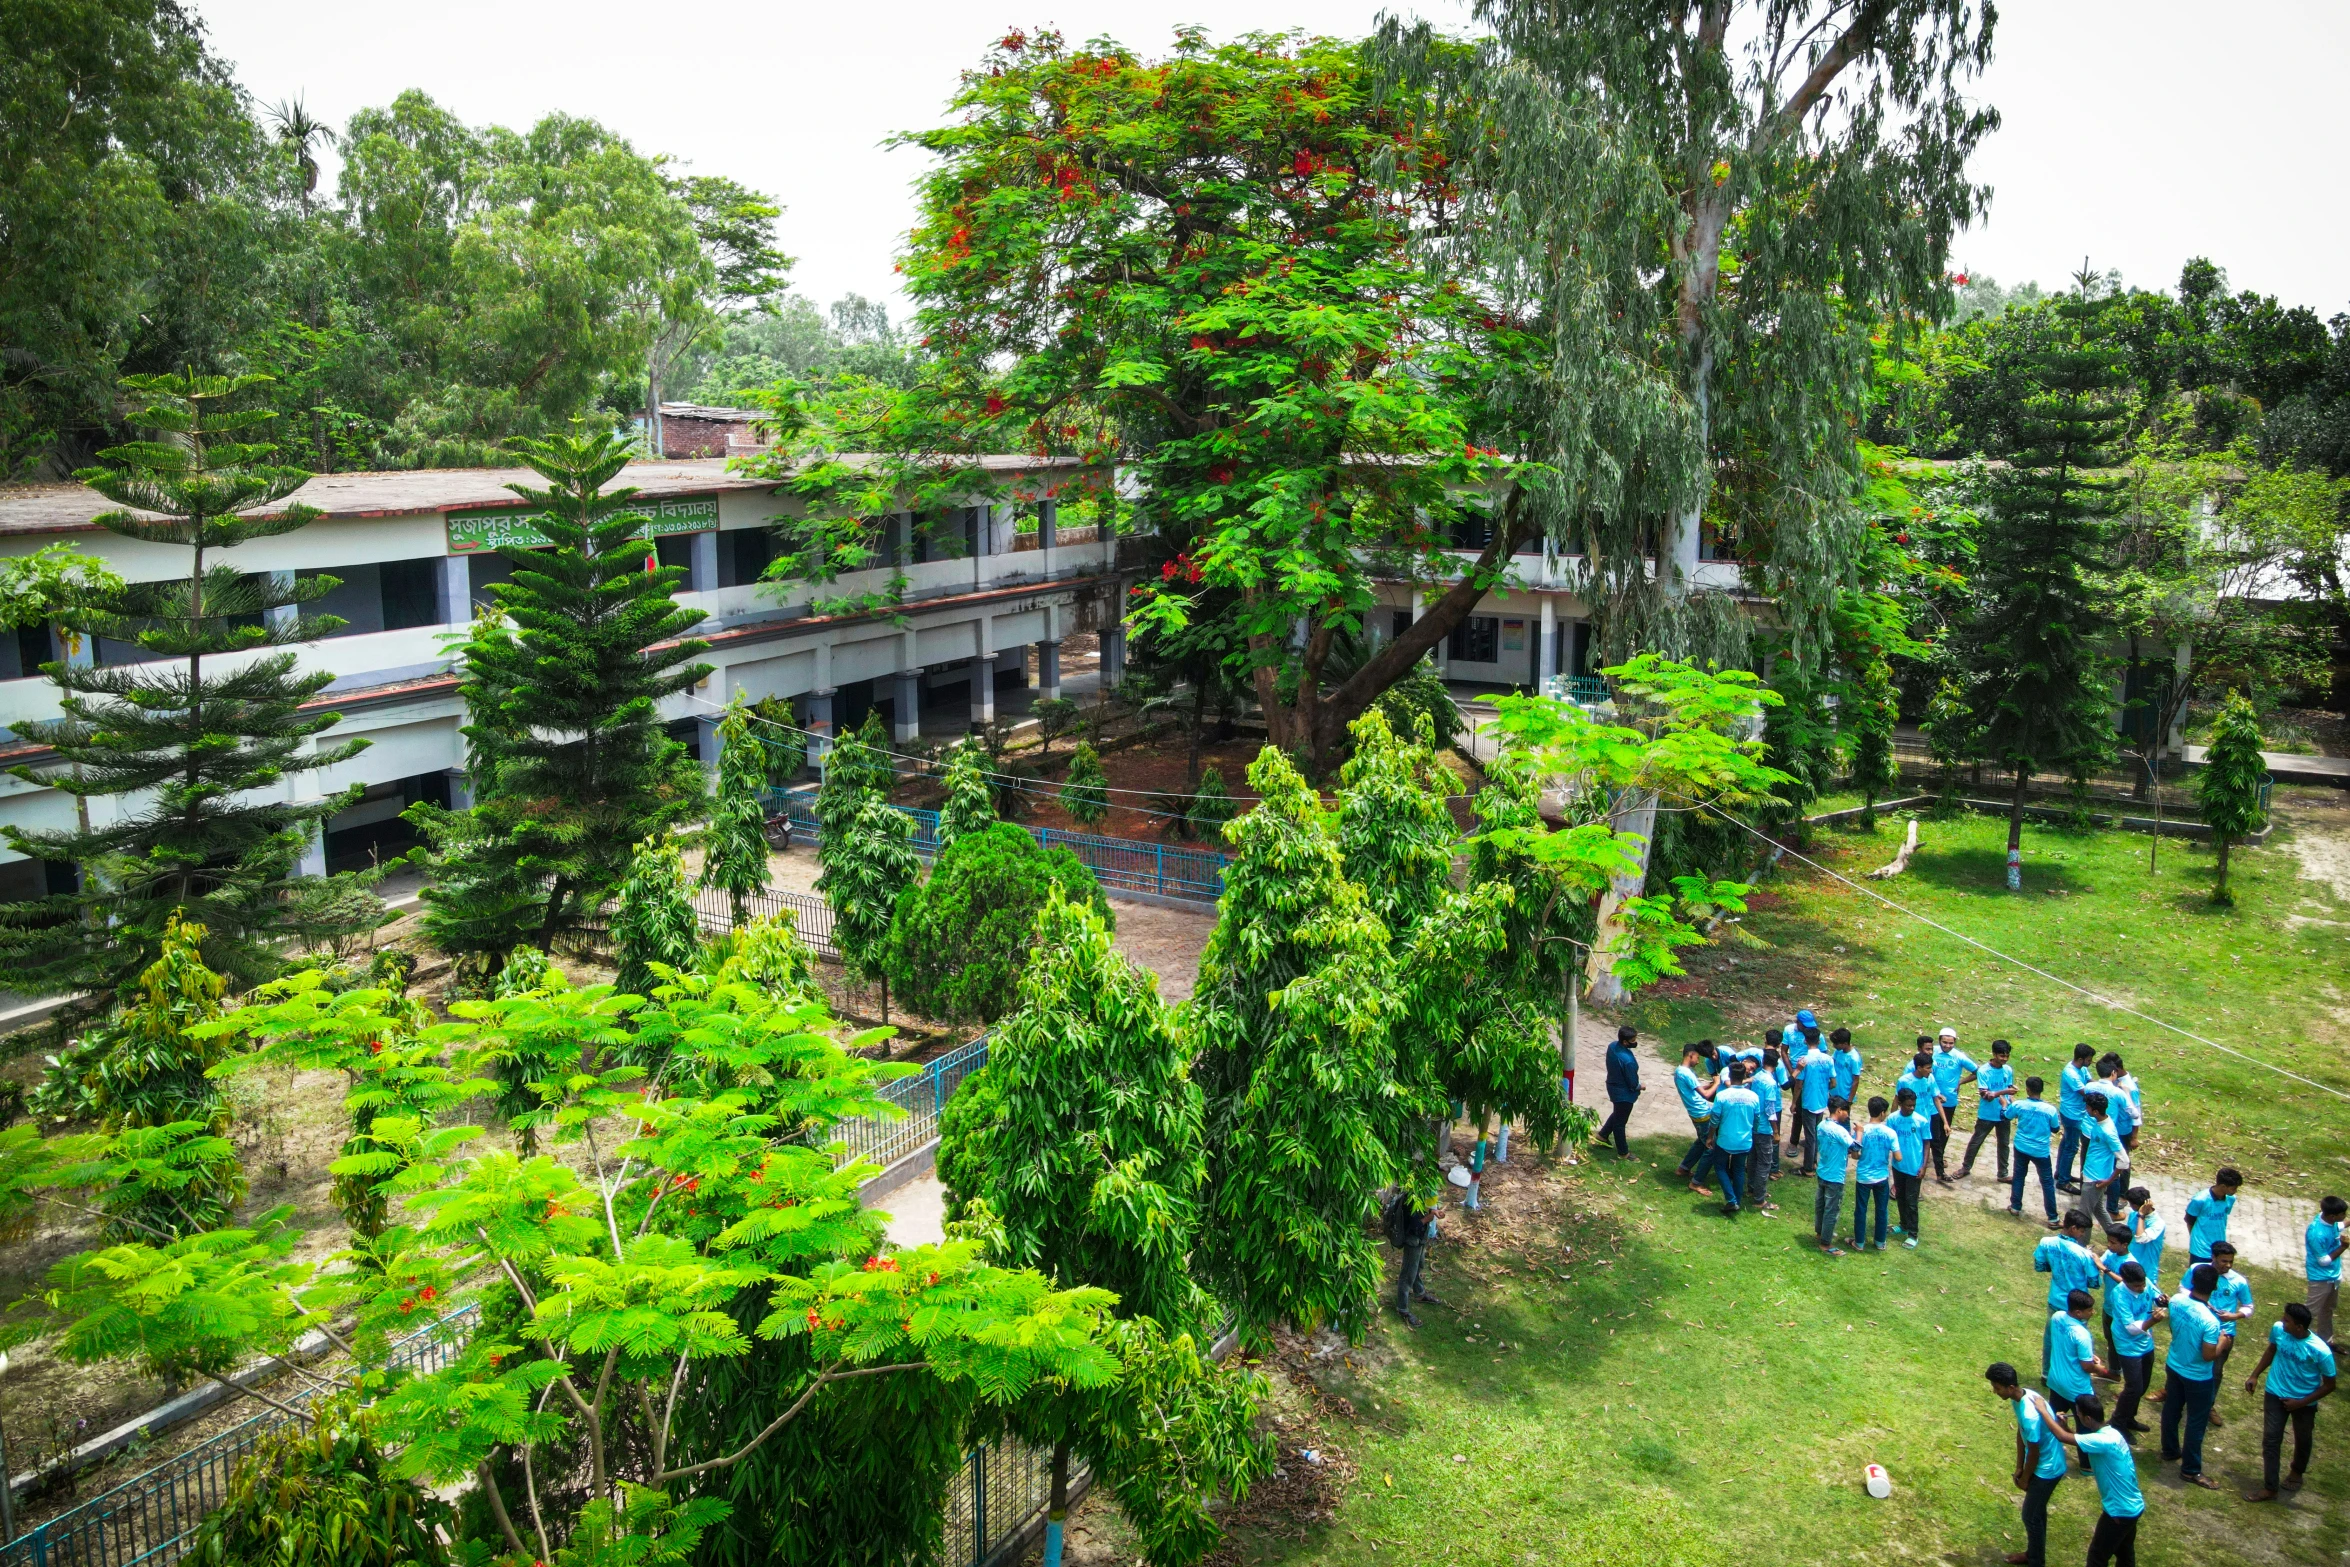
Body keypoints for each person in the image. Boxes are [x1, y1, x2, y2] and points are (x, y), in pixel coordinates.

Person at [2244, 1300, 2338, 1502]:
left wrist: (2301, 1402)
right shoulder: (2279, 1331)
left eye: (2286, 1320)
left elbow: (2330, 1384)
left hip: (2303, 1400)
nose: (2281, 1322)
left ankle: (2297, 1471)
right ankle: (2270, 1487)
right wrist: (2255, 1375)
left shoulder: (2319, 1350)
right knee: (2271, 1440)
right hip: (2275, 1392)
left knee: (2303, 1438)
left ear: (2299, 1327)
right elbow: (2271, 1350)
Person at [1985, 1363, 2069, 1567]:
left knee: (2031, 1516)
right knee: (2036, 1515)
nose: (1994, 1391)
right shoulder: (2023, 1396)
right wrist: (2018, 1466)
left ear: (2011, 1387)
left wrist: (2024, 1478)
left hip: (2047, 1470)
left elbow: (2034, 1450)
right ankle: (2033, 1554)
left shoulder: (2030, 1413)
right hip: (2040, 1465)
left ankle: (2035, 1561)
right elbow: (2021, 1434)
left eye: (1997, 1388)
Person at [2046, 1396, 2146, 1567]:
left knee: (2097, 1557)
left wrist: (2042, 1409)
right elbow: (2081, 1440)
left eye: (2078, 1414)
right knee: (2124, 1552)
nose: (2076, 1416)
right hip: (2133, 1506)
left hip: (2118, 1512)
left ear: (2088, 1419)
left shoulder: (2101, 1441)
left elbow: (2062, 1437)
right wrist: (2067, 1426)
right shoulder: (2111, 1433)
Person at [2159, 1262, 2229, 1489]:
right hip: (2197, 1376)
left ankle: (2169, 1450)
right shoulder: (2210, 1321)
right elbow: (2209, 1355)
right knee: (2196, 1422)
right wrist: (2223, 1342)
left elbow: (2174, 1328)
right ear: (2214, 1287)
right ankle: (2190, 1470)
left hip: (2174, 1364)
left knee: (2172, 1409)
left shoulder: (2176, 1301)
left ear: (2192, 1281)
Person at [2036, 1212, 2118, 1373]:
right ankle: (2070, 1372)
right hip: (2078, 1305)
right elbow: (2094, 1283)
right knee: (2076, 1340)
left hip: (2055, 1300)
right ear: (2073, 1228)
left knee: (2051, 1338)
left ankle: (2046, 1373)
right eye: (2082, 1231)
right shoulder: (2083, 1254)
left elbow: (2040, 1266)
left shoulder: (2046, 1242)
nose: (2082, 1235)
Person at [2105, 1260, 2165, 1436]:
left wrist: (2162, 1300)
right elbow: (2131, 1328)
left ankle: (2129, 1417)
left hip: (2146, 1341)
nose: (2142, 1287)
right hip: (2128, 1345)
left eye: (2143, 1283)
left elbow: (2156, 1295)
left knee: (2143, 1384)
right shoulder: (2119, 1295)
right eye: (2137, 1286)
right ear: (2125, 1281)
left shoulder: (2144, 1283)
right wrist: (2152, 1321)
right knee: (2134, 1387)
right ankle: (2117, 1422)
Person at [2205, 1242, 2255, 1424]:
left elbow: (2249, 1307)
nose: (2228, 1265)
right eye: (2224, 1261)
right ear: (2213, 1257)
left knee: (2215, 1371)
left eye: (2231, 1261)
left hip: (2223, 1334)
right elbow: (2184, 1289)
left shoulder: (2238, 1281)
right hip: (2199, 1327)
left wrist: (2234, 1315)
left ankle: (2208, 1405)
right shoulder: (2200, 1271)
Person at [2047, 1288, 2111, 1421]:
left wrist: (2085, 1355)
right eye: (2089, 1310)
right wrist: (2099, 1368)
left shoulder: (2056, 1317)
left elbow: (2064, 1344)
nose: (2093, 1312)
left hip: (2056, 1380)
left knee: (2053, 1420)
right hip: (2076, 1388)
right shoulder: (2082, 1335)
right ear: (2078, 1312)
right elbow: (2087, 1366)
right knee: (2087, 1428)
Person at [1959, 1038, 2017, 1182]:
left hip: (2003, 1113)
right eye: (2001, 1055)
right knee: (1977, 1141)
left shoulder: (2007, 1070)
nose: (2004, 1059)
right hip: (1987, 1114)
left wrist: (2012, 1104)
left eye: (2007, 1056)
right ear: (1994, 1054)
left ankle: (2002, 1173)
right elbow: (1986, 1095)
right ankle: (1965, 1167)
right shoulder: (1984, 1071)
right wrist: (2003, 1092)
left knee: (2004, 1143)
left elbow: (2009, 1088)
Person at [1384, 1186, 1441, 1327]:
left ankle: (1420, 1293)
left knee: (1419, 1265)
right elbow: (1416, 1224)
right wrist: (1431, 1216)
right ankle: (1402, 1308)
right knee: (1408, 1273)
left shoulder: (1422, 1195)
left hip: (1421, 1236)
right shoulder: (1410, 1201)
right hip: (1413, 1239)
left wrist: (1433, 1211)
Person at [2009, 1077, 2063, 1225]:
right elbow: (2055, 1128)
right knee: (2047, 1183)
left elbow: (2007, 1115)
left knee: (2019, 1176)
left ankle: (2015, 1206)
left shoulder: (2019, 1105)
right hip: (2040, 1150)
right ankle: (2052, 1217)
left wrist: (2006, 1102)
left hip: (2021, 1146)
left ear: (2027, 1089)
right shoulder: (2050, 1110)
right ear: (2042, 1090)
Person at [1710, 1061, 1761, 1216]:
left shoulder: (1722, 1096)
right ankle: (1737, 1201)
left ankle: (1731, 1199)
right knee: (1739, 1170)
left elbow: (1715, 1119)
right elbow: (1757, 1119)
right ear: (1745, 1075)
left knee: (1720, 1167)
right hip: (1745, 1141)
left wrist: (1710, 1136)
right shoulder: (1753, 1097)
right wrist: (1754, 1132)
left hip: (1725, 1139)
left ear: (1730, 1076)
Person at [1929, 1026, 1977, 1184]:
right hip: (1930, 1097)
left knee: (1944, 1128)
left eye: (1951, 1043)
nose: (1947, 1046)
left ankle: (1939, 1156)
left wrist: (1961, 1082)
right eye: (1945, 1042)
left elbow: (1977, 1071)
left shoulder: (1959, 1057)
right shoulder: (1933, 1052)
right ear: (1939, 1040)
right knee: (1929, 1126)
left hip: (1949, 1099)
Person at [1887, 1086, 1932, 1249]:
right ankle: (1903, 1224)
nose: (1911, 1108)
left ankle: (1913, 1234)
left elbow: (1927, 1143)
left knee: (1912, 1202)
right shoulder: (1892, 1119)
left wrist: (1924, 1166)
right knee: (1900, 1196)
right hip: (1899, 1166)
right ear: (1900, 1103)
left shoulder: (1921, 1121)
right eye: (1908, 1105)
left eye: (1913, 1105)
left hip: (1914, 1167)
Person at [1671, 1043, 1719, 1192]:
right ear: (1690, 1055)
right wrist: (1717, 1083)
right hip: (1702, 1114)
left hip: (1695, 1113)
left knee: (1701, 1142)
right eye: (1697, 1057)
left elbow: (1695, 1089)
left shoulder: (1679, 1071)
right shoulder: (1687, 1073)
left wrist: (1708, 1085)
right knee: (1711, 1148)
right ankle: (1696, 1182)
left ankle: (1683, 1168)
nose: (1698, 1061)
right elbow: (1706, 1095)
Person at [2096, 1054, 2139, 1220]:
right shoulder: (2113, 1085)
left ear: (2116, 1070)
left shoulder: (2129, 1088)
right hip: (2113, 1129)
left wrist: (2135, 1136)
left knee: (2122, 1164)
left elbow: (2136, 1113)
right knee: (2112, 1163)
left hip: (2123, 1130)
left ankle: (2121, 1194)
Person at [1852, 1095, 1896, 1251]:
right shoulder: (1890, 1133)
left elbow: (1855, 1154)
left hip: (1864, 1176)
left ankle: (1859, 1242)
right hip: (1881, 1177)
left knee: (1861, 1209)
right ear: (1883, 1113)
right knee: (1882, 1209)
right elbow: (1898, 1156)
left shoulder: (1861, 1131)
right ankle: (1880, 1242)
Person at [1814, 1096, 1856, 1256]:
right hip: (1835, 1176)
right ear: (1839, 1111)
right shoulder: (1839, 1130)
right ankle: (1826, 1244)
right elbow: (1855, 1147)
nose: (1848, 1115)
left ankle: (1820, 1232)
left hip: (1823, 1171)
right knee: (1832, 1209)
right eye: (1846, 1112)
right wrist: (1859, 1133)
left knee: (1821, 1205)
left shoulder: (1822, 1125)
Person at [2056, 1042, 2099, 1193]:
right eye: (2089, 1059)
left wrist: (2100, 1086)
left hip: (2076, 1112)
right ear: (2081, 1059)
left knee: (2066, 1142)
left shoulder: (2082, 1068)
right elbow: (2086, 1092)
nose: (2091, 1062)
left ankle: (2061, 1172)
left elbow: (2090, 1082)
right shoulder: (2071, 1073)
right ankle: (2063, 1181)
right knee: (2072, 1147)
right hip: (2072, 1114)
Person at [1791, 1032, 1836, 1172]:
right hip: (1822, 1101)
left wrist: (1793, 1102)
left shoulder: (1804, 1060)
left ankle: (1808, 1168)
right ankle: (1814, 1162)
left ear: (1805, 1041)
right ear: (1819, 1041)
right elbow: (1833, 1083)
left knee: (1810, 1137)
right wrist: (1823, 1089)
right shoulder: (1828, 1059)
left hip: (1809, 1102)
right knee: (1816, 1133)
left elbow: (1798, 1084)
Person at [2304, 1195, 2346, 1347]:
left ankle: (2326, 1341)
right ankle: (2293, 1338)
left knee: (2327, 1310)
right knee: (2310, 1312)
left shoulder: (2329, 1221)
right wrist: (2343, 1247)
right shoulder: (2316, 1233)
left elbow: (2340, 1226)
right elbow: (2323, 1261)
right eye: (2342, 1215)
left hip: (2333, 1277)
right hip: (2320, 1278)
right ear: (2332, 1216)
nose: (2345, 1217)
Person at [2078, 1093, 2124, 1224]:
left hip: (2096, 1179)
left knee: (2084, 1216)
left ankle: (2082, 1244)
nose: (2086, 1110)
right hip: (2091, 1173)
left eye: (2088, 1107)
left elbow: (2124, 1161)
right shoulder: (2099, 1123)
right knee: (2098, 1210)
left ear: (2096, 1111)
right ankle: (2114, 1235)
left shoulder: (2108, 1131)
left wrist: (2109, 1181)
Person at [2185, 1168, 2243, 1270]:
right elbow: (2189, 1220)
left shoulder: (2231, 1199)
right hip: (2200, 1249)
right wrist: (2195, 1238)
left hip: (2219, 1247)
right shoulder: (2200, 1200)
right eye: (2233, 1188)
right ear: (2223, 1186)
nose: (2235, 1191)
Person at [1748, 1043, 1784, 1205]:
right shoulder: (1770, 1083)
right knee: (1764, 1163)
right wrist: (1776, 1131)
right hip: (1763, 1128)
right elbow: (1770, 1110)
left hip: (1753, 1124)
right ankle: (1759, 1199)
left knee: (1753, 1160)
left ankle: (1752, 1188)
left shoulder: (1756, 1078)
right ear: (1776, 1065)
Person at [1601, 1025, 1642, 1159]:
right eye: (1633, 1040)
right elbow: (1633, 1083)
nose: (1635, 1042)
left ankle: (1602, 1135)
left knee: (1618, 1114)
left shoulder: (1612, 1046)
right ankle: (1623, 1152)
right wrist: (1640, 1086)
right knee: (1620, 1123)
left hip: (1612, 1086)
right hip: (1624, 1094)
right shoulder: (1628, 1061)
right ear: (1625, 1042)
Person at [2127, 1189, 2165, 1292]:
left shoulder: (2158, 1223)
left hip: (2147, 1266)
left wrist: (2141, 1216)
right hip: (2130, 1261)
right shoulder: (2132, 1214)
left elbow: (2140, 1238)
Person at [1830, 1026, 1864, 1107]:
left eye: (1836, 1044)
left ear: (1845, 1044)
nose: (1834, 1046)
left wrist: (1849, 1100)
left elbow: (1856, 1080)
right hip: (1833, 1093)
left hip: (1844, 1097)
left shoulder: (1854, 1059)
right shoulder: (1838, 1052)